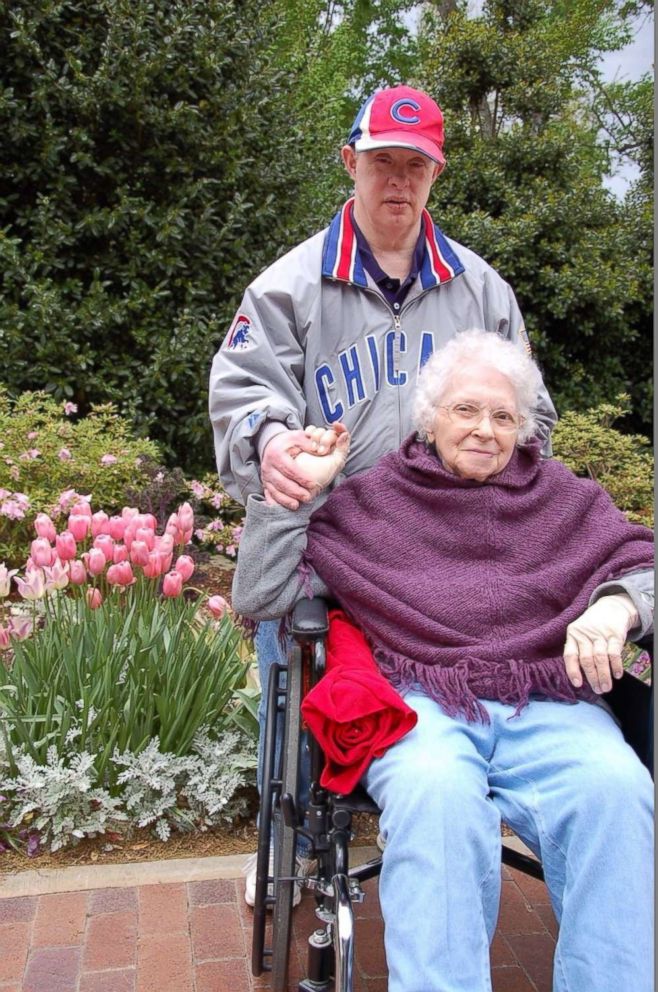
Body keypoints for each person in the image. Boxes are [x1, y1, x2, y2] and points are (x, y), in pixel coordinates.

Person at [209, 83, 557, 902]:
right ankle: (284, 845)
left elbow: (532, 413)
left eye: (415, 166)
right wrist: (273, 444)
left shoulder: (481, 291)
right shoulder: (288, 287)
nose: (397, 182)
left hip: (452, 554)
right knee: (290, 678)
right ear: (350, 164)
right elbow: (242, 393)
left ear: (435, 175)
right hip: (331, 552)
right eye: (381, 164)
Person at [232, 330, 654, 992]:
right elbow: (260, 593)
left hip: (545, 701)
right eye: (466, 410)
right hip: (422, 704)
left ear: (523, 426)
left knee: (617, 791)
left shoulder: (567, 499)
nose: (485, 429)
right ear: (429, 418)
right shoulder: (372, 502)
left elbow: (642, 561)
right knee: (436, 799)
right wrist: (292, 497)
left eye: (503, 415)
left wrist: (619, 604)